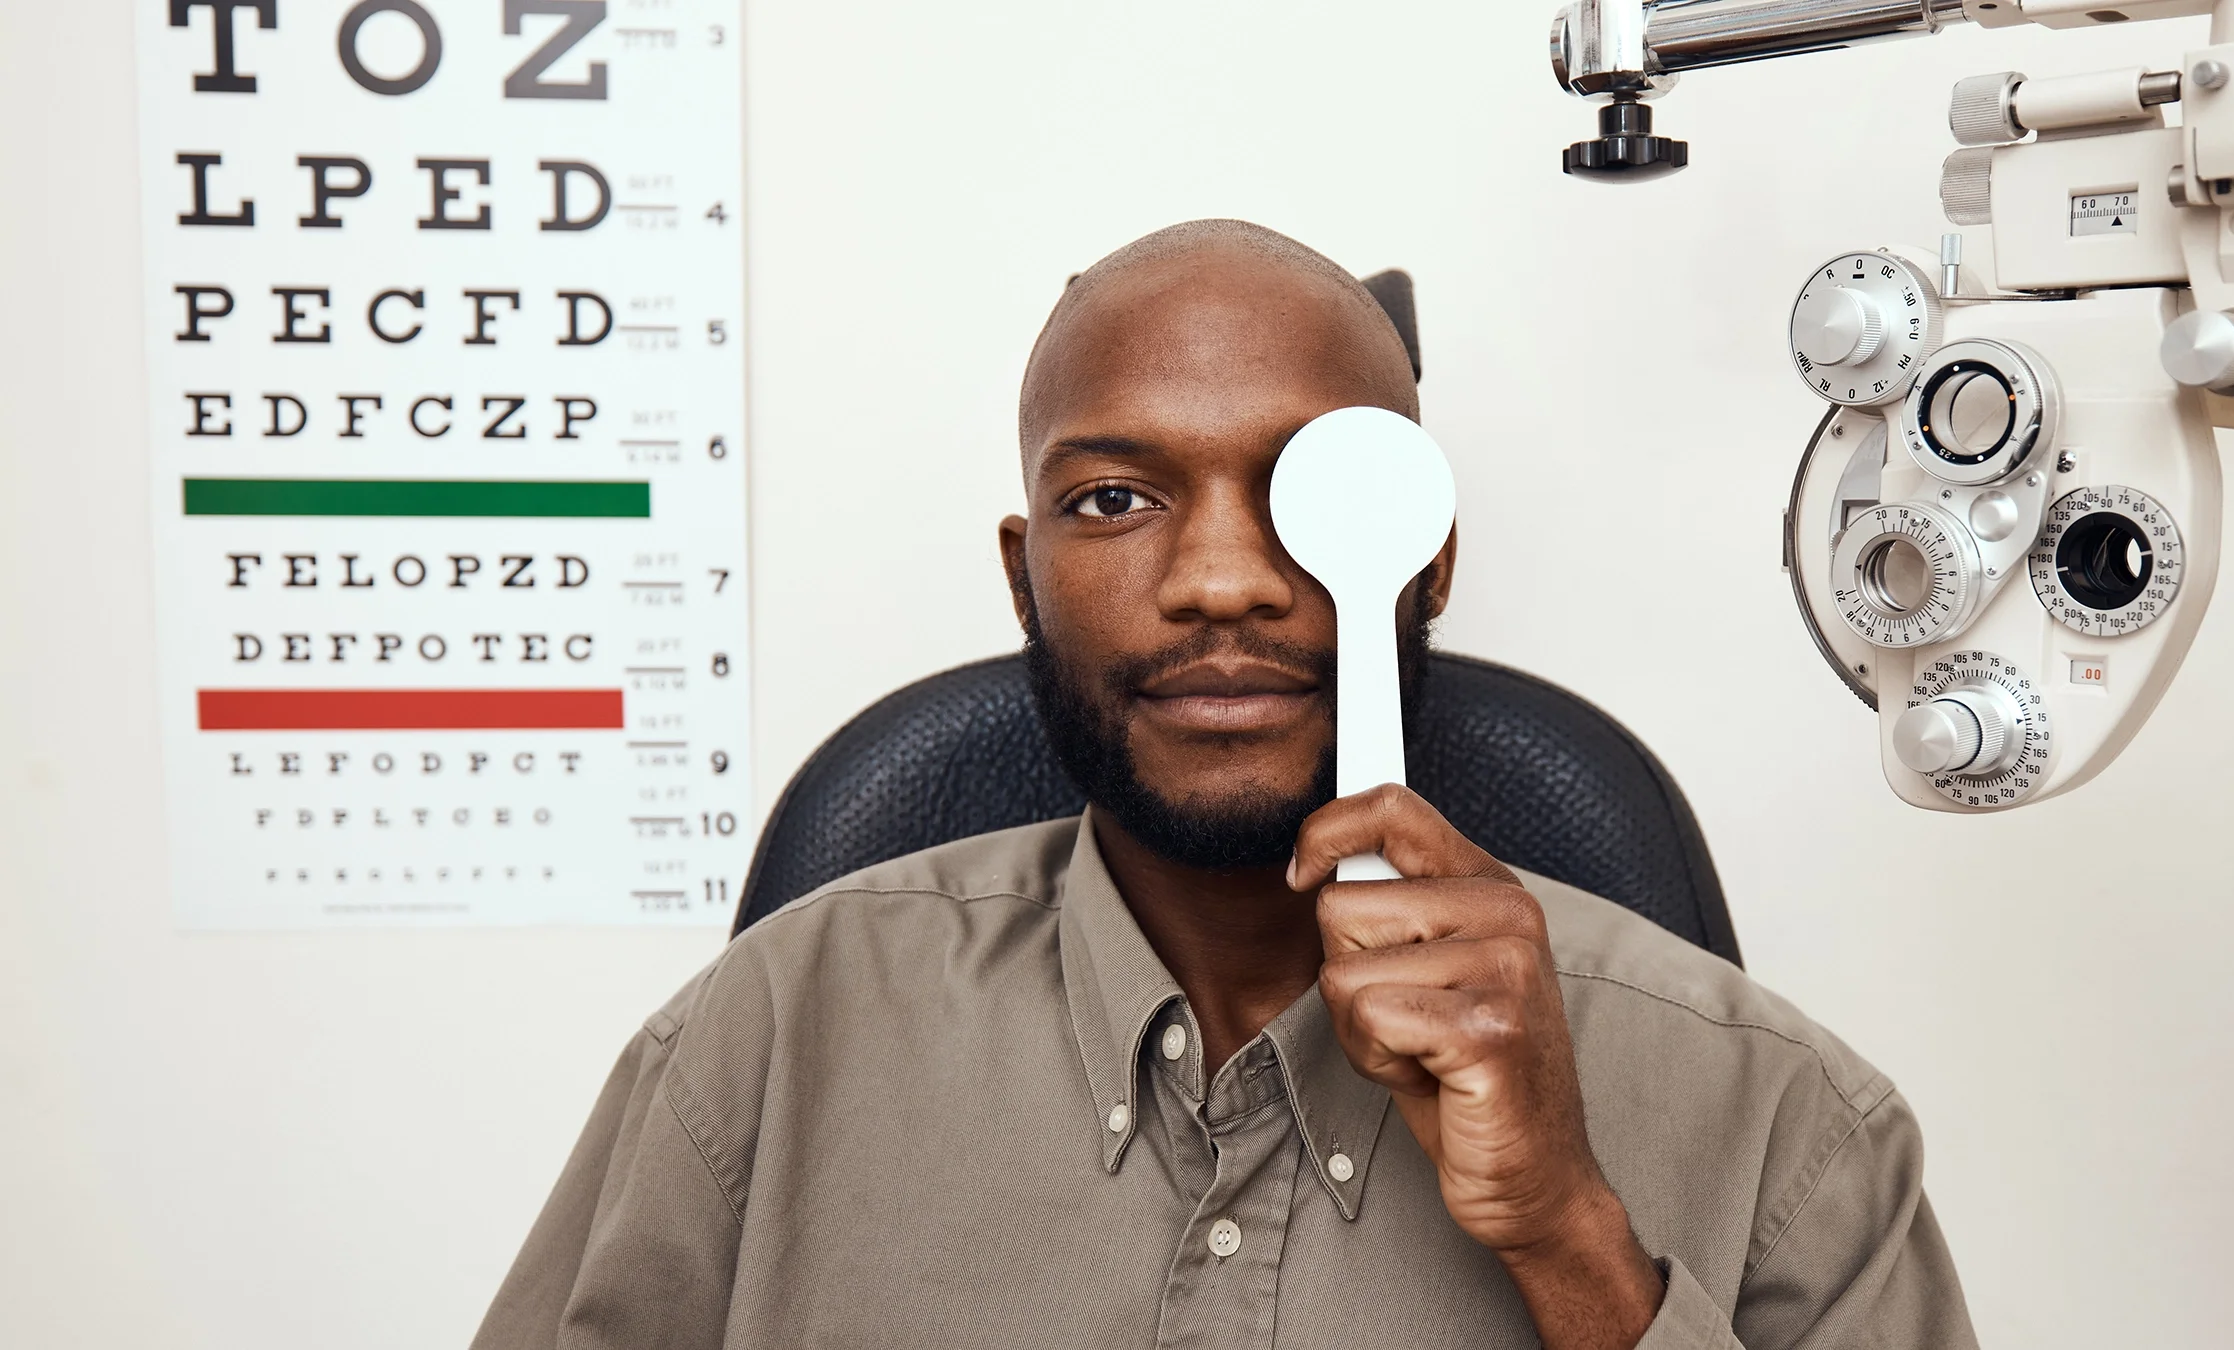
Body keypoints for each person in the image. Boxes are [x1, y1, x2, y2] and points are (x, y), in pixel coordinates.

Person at [473, 220, 1977, 1349]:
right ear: (1024, 576)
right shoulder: (769, 1038)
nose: (1217, 582)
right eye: (1116, 499)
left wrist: (1574, 1240)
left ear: (1431, 558)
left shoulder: (1786, 1123)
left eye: (1305, 490)